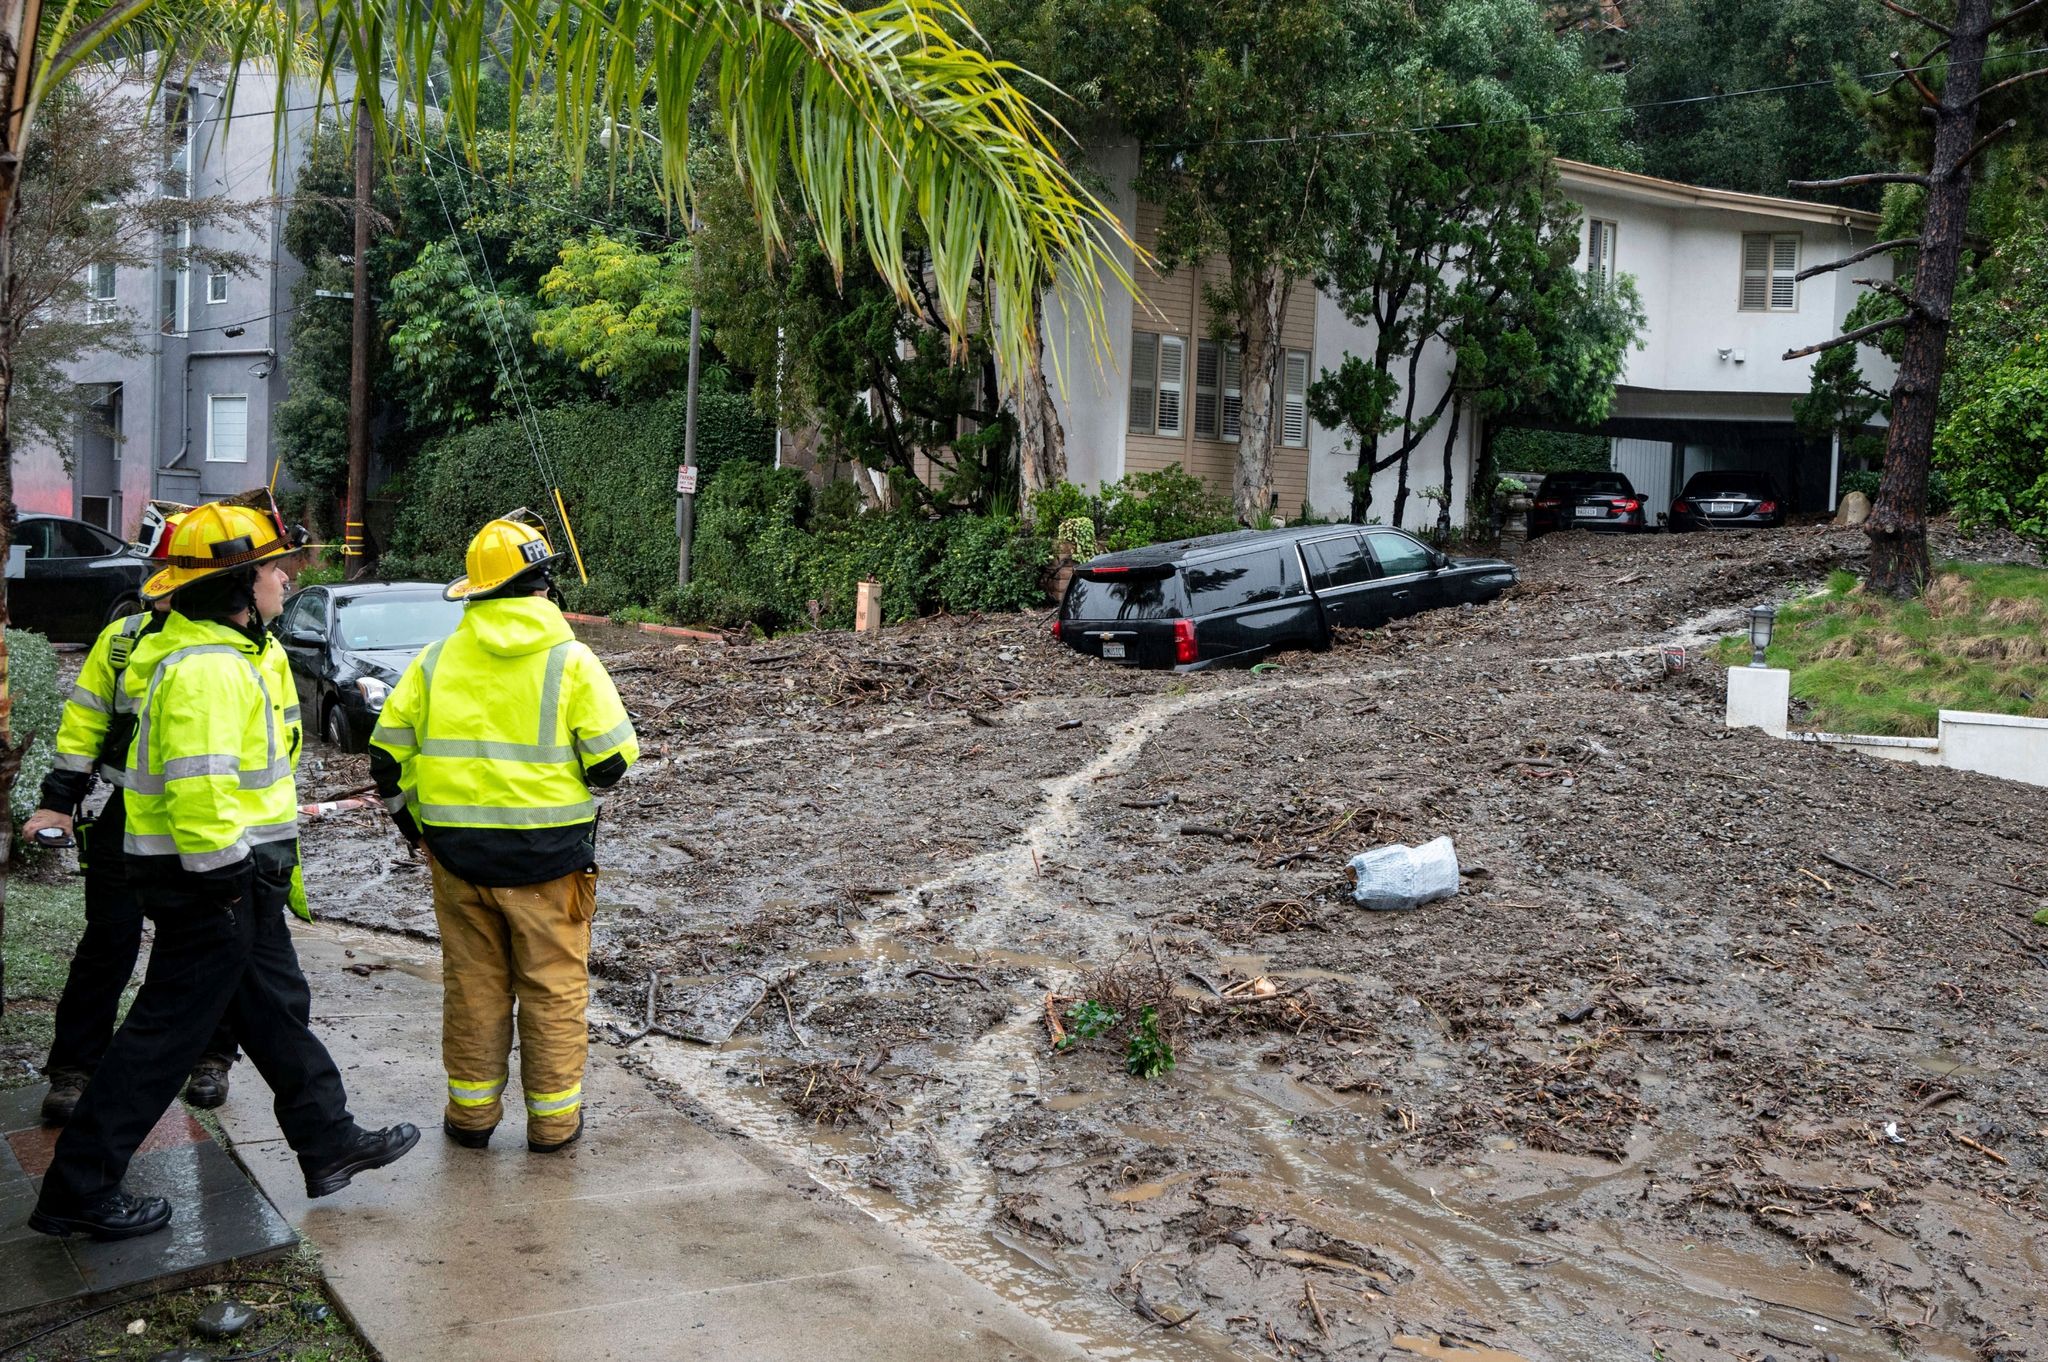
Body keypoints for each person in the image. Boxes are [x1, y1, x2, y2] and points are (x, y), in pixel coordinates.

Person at [29, 501, 417, 1241]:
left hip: (239, 878)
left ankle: (327, 1135)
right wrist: (224, 882)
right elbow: (201, 788)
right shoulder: (209, 669)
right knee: (163, 1036)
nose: (283, 578)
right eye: (273, 568)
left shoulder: (232, 653)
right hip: (213, 881)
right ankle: (79, 1187)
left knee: (274, 1007)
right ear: (240, 585)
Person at [369, 510, 637, 1154]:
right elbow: (611, 765)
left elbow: (384, 760)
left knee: (473, 989)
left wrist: (415, 826)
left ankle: (470, 1119)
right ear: (542, 586)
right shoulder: (572, 662)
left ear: (479, 590)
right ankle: (552, 1126)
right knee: (553, 991)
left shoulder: (433, 663)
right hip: (551, 863)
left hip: (457, 861)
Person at [22, 514, 244, 1124]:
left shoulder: (248, 648)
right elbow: (84, 726)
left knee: (205, 944)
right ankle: (74, 1070)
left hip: (210, 818)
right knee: (109, 941)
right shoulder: (122, 641)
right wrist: (58, 802)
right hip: (127, 812)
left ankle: (210, 1057)